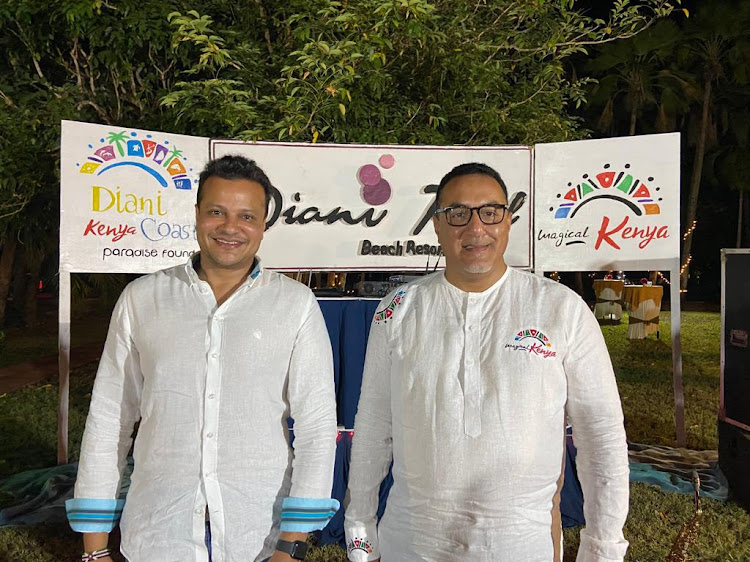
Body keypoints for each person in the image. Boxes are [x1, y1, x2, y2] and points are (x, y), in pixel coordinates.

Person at [344, 163, 629, 562]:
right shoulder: (398, 310)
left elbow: (601, 435)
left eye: (489, 212)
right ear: (437, 226)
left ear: (508, 221)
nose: (475, 228)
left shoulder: (560, 309)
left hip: (521, 542)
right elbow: (373, 426)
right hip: (412, 541)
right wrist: (360, 534)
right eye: (457, 214)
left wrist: (603, 548)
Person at [67, 155, 339, 562]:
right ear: (195, 215)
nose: (231, 227)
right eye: (217, 212)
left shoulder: (295, 304)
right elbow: (109, 420)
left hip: (258, 537)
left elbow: (317, 427)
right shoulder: (142, 300)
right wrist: (94, 551)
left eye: (247, 215)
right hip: (158, 535)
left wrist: (292, 546)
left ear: (263, 224)